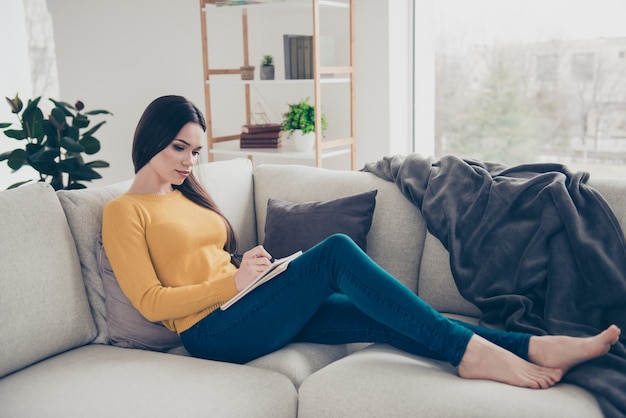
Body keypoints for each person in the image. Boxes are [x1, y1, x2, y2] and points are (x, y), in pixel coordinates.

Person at [102, 95, 620, 389]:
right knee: (335, 254)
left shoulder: (190, 194)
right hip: (209, 333)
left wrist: (247, 266)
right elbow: (151, 303)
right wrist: (230, 284)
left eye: (194, 150)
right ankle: (474, 354)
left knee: (375, 312)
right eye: (178, 148)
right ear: (149, 140)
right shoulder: (123, 211)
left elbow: (209, 259)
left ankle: (533, 345)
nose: (189, 161)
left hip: (242, 301)